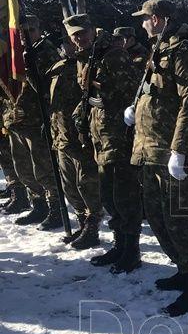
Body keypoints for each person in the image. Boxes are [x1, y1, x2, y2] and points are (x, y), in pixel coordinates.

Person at [126, 0, 188, 315]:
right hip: (149, 149)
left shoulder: (185, 50)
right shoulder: (160, 48)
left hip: (170, 150)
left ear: (158, 19)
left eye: (145, 18)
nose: (142, 23)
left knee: (180, 218)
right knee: (158, 215)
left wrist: (180, 148)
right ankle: (183, 269)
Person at [65, 14, 143, 272]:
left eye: (83, 32)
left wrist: (98, 86)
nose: (79, 38)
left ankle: (131, 250)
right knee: (108, 195)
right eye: (74, 35)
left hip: (118, 133)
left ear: (92, 30)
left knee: (124, 194)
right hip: (99, 134)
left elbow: (131, 92)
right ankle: (120, 245)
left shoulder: (113, 55)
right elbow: (87, 96)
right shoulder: (87, 57)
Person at [3, 14, 62, 228]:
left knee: (44, 170)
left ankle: (55, 208)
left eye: (29, 31)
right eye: (20, 32)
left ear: (38, 30)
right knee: (23, 169)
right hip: (16, 121)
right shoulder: (15, 54)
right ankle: (38, 205)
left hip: (37, 121)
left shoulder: (46, 52)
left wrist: (29, 67)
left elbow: (51, 89)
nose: (23, 36)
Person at [46, 33, 102, 248]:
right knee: (69, 185)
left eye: (72, 41)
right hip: (61, 135)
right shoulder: (58, 67)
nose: (70, 45)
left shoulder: (90, 63)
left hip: (80, 137)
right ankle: (82, 223)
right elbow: (50, 99)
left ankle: (92, 226)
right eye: (67, 42)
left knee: (86, 184)